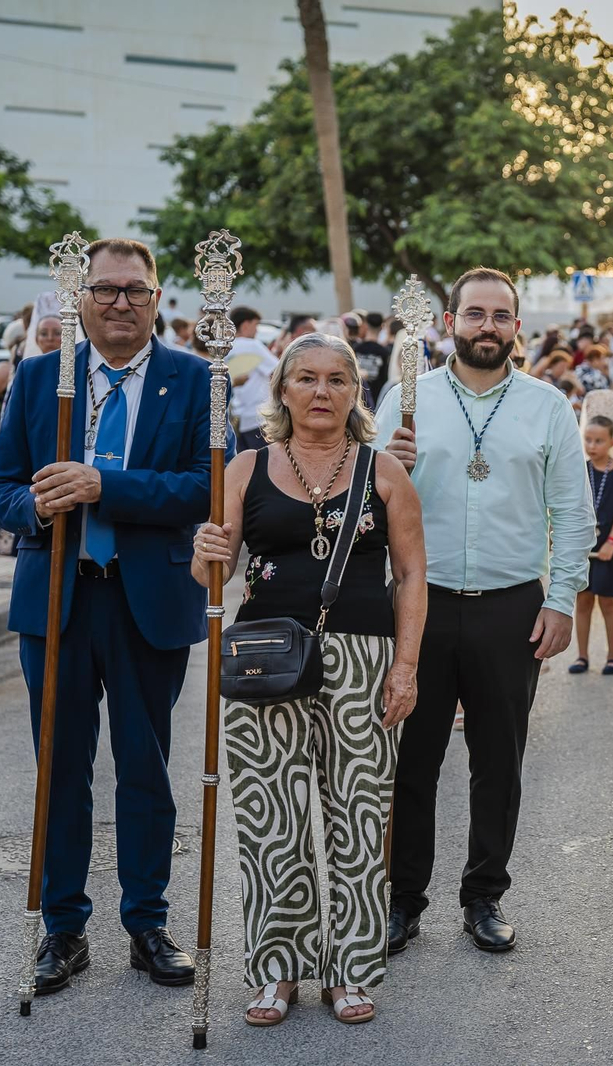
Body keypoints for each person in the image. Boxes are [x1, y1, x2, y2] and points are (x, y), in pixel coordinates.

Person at [0, 237, 222, 995]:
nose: (121, 302)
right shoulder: (42, 378)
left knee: (146, 769)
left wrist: (101, 487)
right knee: (61, 768)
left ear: (159, 298)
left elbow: (204, 489)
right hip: (58, 597)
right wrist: (37, 504)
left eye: (136, 291)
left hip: (149, 598)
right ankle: (62, 928)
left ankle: (147, 922)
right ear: (79, 297)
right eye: (107, 289)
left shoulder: (196, 381)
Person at [190, 332, 426, 1027]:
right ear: (283, 390)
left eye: (336, 380)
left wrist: (406, 667)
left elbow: (412, 575)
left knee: (358, 817)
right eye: (306, 379)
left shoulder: (385, 472)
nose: (321, 392)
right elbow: (216, 573)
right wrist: (202, 552)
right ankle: (277, 970)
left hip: (361, 661)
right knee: (271, 823)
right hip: (263, 659)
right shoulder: (245, 467)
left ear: (356, 393)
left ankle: (350, 970)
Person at [377, 267, 592, 956]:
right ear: (451, 323)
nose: (488, 326)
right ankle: (402, 899)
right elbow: (362, 491)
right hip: (421, 604)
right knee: (413, 757)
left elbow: (573, 510)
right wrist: (387, 459)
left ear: (518, 327)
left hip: (511, 606)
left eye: (501, 315)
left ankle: (484, 896)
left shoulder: (547, 406)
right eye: (475, 314)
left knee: (499, 759)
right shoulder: (405, 399)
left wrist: (561, 597)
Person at [568, 415, 613, 675]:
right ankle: (582, 656)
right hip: (585, 545)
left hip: (609, 544)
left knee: (608, 601)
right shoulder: (580, 469)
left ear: (611, 441)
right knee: (583, 600)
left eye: (598, 441)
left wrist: (612, 542)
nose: (592, 445)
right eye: (588, 439)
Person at [230, 306, 279, 450]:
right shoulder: (252, 345)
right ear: (245, 325)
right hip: (258, 416)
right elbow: (278, 371)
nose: (257, 330)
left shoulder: (226, 346)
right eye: (255, 325)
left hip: (237, 418)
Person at [353, 310, 392, 399]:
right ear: (382, 327)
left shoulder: (356, 348)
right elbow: (385, 377)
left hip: (358, 395)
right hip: (377, 396)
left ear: (366, 325)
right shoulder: (384, 352)